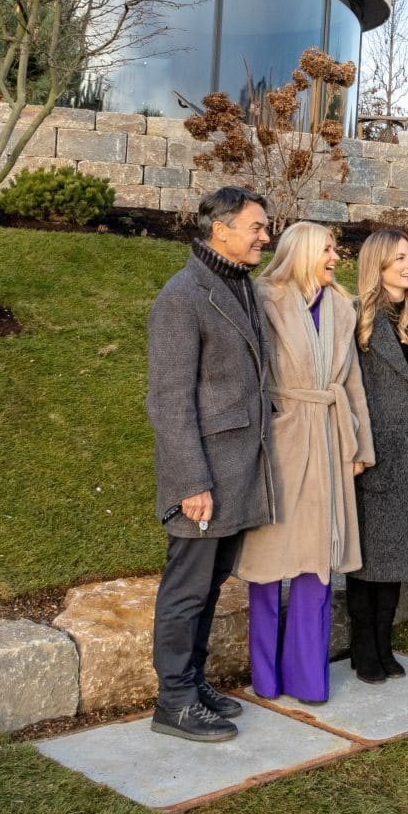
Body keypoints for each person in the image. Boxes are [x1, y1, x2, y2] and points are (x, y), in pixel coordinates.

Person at [145, 186, 276, 742]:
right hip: (206, 477)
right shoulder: (183, 296)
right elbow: (168, 400)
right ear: (220, 229)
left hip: (238, 470)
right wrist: (191, 481)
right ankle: (172, 701)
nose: (266, 236)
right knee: (186, 589)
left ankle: (191, 682)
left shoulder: (240, 287)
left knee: (211, 583)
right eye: (257, 227)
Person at [236, 222, 375, 703]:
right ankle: (266, 679)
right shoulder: (263, 298)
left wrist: (360, 447)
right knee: (268, 564)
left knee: (317, 564)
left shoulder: (341, 306)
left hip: (329, 442)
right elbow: (245, 372)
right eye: (329, 249)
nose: (337, 256)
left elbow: (352, 382)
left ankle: (307, 680)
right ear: (304, 252)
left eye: (336, 249)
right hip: (281, 441)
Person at [347, 228, 408, 683]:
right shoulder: (358, 318)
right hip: (374, 456)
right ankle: (365, 649)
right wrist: (354, 447)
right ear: (378, 265)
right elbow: (347, 390)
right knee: (369, 563)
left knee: (396, 562)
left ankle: (383, 646)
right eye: (400, 258)